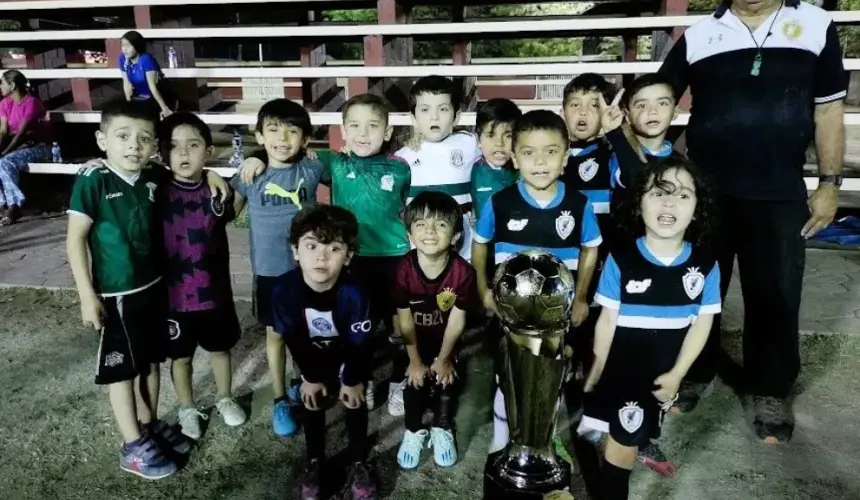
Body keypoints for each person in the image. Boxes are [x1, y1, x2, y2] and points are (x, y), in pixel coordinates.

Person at [658, 0, 846, 443]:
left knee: (776, 293)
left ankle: (771, 388)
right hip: (705, 194)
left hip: (778, 193)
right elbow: (657, 97)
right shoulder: (701, 35)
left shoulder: (816, 26)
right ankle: (692, 371)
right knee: (696, 287)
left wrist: (829, 183)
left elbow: (828, 111)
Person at [238, 93, 412, 411]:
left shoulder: (401, 168)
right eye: (354, 126)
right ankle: (360, 378)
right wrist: (255, 156)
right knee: (358, 323)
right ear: (343, 131)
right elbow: (290, 153)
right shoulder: (333, 162)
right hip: (348, 258)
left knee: (399, 325)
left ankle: (400, 379)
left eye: (372, 126)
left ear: (387, 132)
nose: (363, 133)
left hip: (393, 257)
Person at [65, 101, 198, 479]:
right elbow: (75, 240)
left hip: (154, 288)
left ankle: (148, 424)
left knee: (150, 362)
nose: (133, 146)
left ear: (154, 145)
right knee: (122, 372)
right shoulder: (93, 179)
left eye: (144, 139)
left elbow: (191, 177)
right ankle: (131, 446)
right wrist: (87, 296)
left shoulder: (154, 176)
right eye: (122, 137)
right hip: (116, 295)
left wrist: (218, 178)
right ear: (101, 139)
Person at [577, 156, 721, 500]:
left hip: (658, 379)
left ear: (697, 208)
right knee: (620, 445)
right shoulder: (621, 260)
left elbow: (702, 325)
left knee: (624, 441)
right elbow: (607, 320)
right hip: (620, 372)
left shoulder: (705, 266)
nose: (670, 202)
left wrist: (677, 375)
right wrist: (596, 371)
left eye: (683, 195)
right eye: (658, 193)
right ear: (639, 203)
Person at [472, 110, 602, 452]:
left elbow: (590, 249)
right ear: (515, 157)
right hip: (509, 315)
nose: (540, 162)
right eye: (529, 152)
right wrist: (483, 289)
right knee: (508, 378)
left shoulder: (578, 204)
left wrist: (581, 297)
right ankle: (502, 443)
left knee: (550, 380)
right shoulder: (500, 203)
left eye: (551, 151)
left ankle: (545, 437)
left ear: (565, 157)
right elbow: (480, 243)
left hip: (555, 317)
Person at [230, 98, 327, 438]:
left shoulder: (313, 169)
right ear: (259, 135)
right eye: (272, 130)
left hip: (309, 272)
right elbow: (228, 210)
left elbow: (347, 167)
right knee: (276, 334)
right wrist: (242, 165)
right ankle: (279, 398)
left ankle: (304, 383)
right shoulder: (249, 175)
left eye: (292, 131)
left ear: (305, 138)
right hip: (270, 274)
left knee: (308, 330)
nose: (282, 138)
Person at [270, 204, 377, 500]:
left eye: (334, 248)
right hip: (311, 355)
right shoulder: (283, 291)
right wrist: (310, 377)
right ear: (295, 251)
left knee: (354, 400)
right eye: (312, 245)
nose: (321, 256)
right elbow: (293, 339)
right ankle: (314, 459)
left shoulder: (355, 292)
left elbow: (360, 343)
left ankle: (358, 461)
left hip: (348, 354)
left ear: (348, 256)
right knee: (312, 398)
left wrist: (353, 379)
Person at [389, 75, 482, 417]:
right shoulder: (402, 157)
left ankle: (446, 366)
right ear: (413, 115)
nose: (434, 117)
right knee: (414, 315)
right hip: (421, 257)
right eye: (425, 109)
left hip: (460, 248)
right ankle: (405, 376)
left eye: (443, 109)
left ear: (456, 114)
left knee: (451, 314)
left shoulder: (471, 146)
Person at [157, 112, 247, 440]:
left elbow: (241, 192)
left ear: (207, 150)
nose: (183, 153)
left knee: (220, 350)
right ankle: (186, 406)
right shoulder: (155, 191)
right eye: (174, 146)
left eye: (193, 145)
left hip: (215, 294)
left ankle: (225, 397)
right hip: (174, 298)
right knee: (180, 358)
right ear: (161, 152)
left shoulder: (216, 193)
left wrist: (210, 175)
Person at [394, 191, 478, 470]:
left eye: (441, 224)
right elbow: (404, 320)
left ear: (455, 236)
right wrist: (415, 361)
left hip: (446, 341)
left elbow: (457, 320)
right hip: (414, 342)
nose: (429, 231)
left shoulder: (464, 273)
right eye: (420, 224)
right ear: (409, 234)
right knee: (415, 383)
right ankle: (413, 429)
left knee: (447, 381)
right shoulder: (403, 269)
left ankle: (442, 427)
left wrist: (444, 359)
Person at [0, 70, 51, 225]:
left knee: (4, 162)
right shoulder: (4, 103)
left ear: (12, 85)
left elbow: (22, 133)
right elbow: (3, 131)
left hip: (38, 146)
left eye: (3, 82)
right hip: (17, 146)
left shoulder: (31, 102)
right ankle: (3, 204)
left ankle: (13, 206)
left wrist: (4, 152)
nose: (0, 86)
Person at [470, 98, 521, 222]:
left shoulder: (525, 172)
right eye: (491, 135)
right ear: (478, 140)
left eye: (508, 136)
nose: (499, 143)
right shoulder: (470, 171)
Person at [119, 30, 175, 119]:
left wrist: (164, 108)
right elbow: (126, 83)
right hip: (139, 97)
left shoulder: (146, 59)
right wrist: (129, 107)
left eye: (128, 45)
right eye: (122, 45)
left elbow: (153, 87)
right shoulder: (122, 58)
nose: (124, 49)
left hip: (155, 97)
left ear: (137, 45)